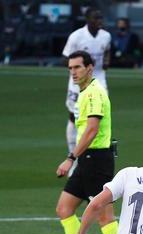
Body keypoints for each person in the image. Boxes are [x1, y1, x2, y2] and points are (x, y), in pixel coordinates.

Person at [54, 50, 119, 234]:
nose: (73, 72)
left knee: (105, 217)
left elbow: (92, 130)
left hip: (96, 160)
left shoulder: (94, 93)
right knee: (64, 208)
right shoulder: (85, 92)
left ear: (90, 68)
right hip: (88, 160)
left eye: (77, 67)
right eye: (70, 68)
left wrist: (70, 158)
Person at [62, 8, 111, 171]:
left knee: (97, 118)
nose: (100, 21)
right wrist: (78, 71)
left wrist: (106, 61)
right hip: (77, 83)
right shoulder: (76, 36)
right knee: (74, 117)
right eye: (96, 18)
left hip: (99, 80)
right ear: (87, 19)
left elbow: (107, 50)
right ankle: (73, 154)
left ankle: (91, 152)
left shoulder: (106, 36)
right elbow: (66, 58)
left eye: (101, 18)